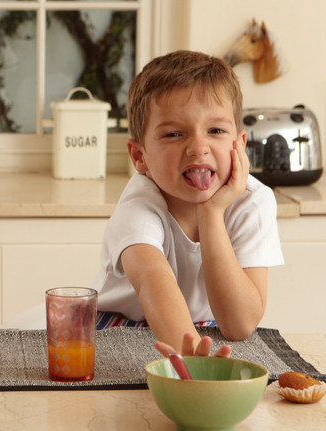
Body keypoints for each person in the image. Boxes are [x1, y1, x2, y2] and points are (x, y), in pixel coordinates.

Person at [91, 50, 284, 356]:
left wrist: (211, 212)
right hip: (119, 329)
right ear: (140, 157)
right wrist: (191, 355)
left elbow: (238, 325)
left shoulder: (253, 201)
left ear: (240, 145)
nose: (198, 148)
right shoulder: (139, 205)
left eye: (216, 130)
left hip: (207, 330)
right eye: (173, 134)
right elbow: (153, 279)